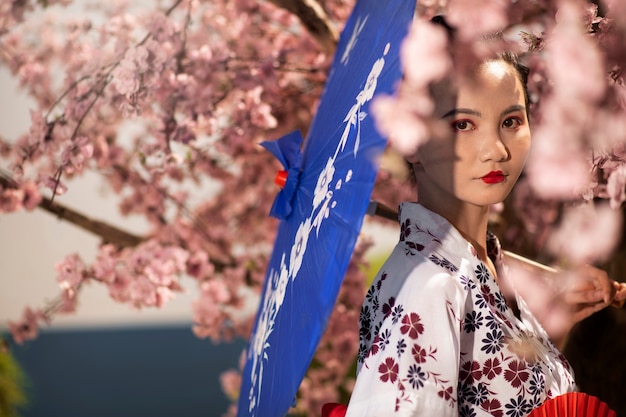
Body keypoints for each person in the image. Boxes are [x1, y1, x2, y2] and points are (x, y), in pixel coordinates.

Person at [341, 18, 626, 417]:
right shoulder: (426, 285)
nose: (496, 149)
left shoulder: (484, 268)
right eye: (462, 124)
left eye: (511, 121)